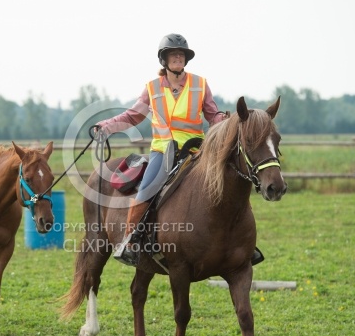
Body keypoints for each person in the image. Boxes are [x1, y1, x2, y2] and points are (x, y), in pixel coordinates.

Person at [96, 33, 263, 266]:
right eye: (172, 54)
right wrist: (106, 126)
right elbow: (133, 116)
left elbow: (212, 114)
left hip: (196, 149)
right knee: (147, 188)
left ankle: (245, 242)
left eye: (181, 54)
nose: (177, 57)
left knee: (230, 179)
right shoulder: (152, 88)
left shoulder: (200, 84)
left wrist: (224, 121)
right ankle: (131, 241)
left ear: (186, 59)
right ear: (164, 60)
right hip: (163, 151)